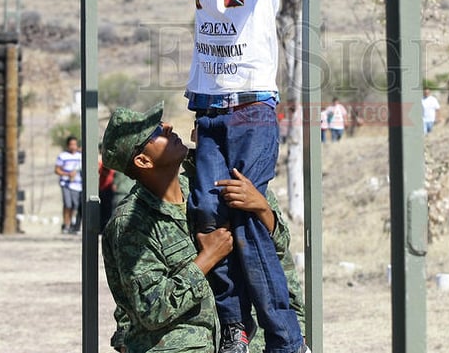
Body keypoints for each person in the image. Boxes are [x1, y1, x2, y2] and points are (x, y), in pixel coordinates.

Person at [159, 0, 305, 353]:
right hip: (212, 116)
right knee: (205, 212)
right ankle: (234, 326)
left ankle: (286, 339)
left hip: (251, 115)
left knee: (245, 218)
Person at [101, 103, 306, 353]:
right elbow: (151, 309)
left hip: (246, 343)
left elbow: (278, 253)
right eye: (155, 132)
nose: (168, 126)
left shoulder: (207, 189)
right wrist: (207, 259)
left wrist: (262, 208)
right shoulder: (132, 222)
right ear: (143, 160)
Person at [54, 135, 82, 235]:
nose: (73, 146)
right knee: (67, 204)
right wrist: (67, 174)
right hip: (66, 183)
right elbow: (57, 170)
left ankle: (71, 223)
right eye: (71, 144)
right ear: (67, 145)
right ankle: (66, 224)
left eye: (75, 144)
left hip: (77, 185)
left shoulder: (80, 156)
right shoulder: (63, 156)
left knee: (75, 205)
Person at [98, 143, 116, 232]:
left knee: (108, 209)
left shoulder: (111, 159)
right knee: (103, 209)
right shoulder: (101, 160)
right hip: (103, 187)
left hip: (109, 186)